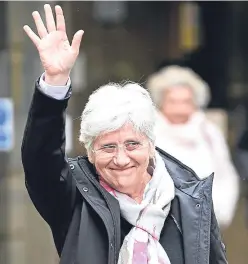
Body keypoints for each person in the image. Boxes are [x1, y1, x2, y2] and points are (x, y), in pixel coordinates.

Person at [21, 4, 227, 264]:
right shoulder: (76, 198)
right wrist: (55, 81)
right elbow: (40, 160)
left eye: (132, 144)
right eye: (108, 147)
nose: (121, 159)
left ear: (151, 145)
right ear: (90, 152)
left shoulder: (190, 199)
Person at [147, 65, 240, 230]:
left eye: (186, 101)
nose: (180, 108)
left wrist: (220, 212)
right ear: (161, 102)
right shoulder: (149, 133)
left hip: (207, 223)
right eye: (173, 101)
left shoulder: (208, 132)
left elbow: (225, 175)